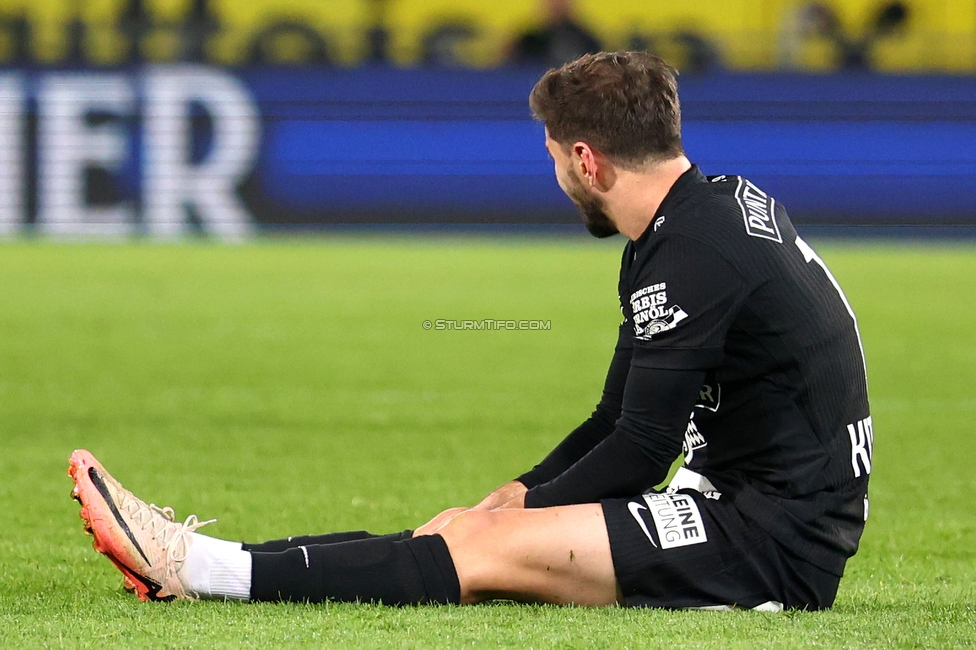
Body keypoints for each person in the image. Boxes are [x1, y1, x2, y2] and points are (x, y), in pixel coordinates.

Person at [68, 51, 872, 610]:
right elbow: (613, 419)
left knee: (479, 551)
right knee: (468, 530)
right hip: (754, 507)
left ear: (587, 161)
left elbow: (641, 451)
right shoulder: (695, 217)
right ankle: (214, 561)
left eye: (556, 157)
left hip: (770, 540)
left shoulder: (687, 254)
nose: (557, 176)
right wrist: (525, 491)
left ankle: (193, 568)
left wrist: (514, 520)